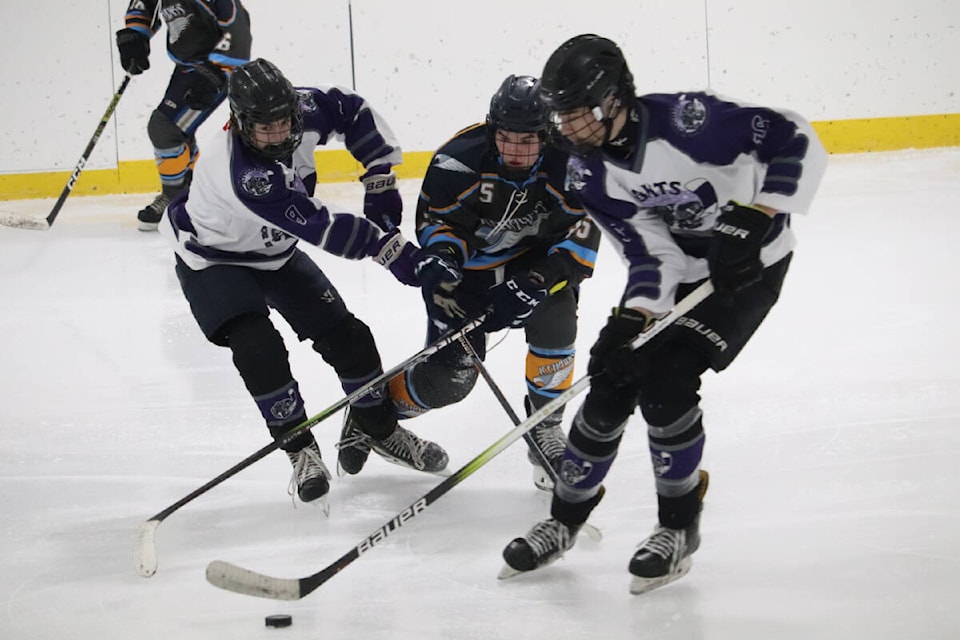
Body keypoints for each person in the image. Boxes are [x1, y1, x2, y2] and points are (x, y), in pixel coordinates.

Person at [500, 34, 828, 594]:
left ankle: (678, 529)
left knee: (669, 383)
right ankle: (565, 518)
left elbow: (795, 138)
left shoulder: (689, 122)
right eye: (563, 118)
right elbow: (650, 250)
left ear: (613, 99)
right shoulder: (589, 173)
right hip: (684, 274)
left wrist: (758, 215)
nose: (569, 130)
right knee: (610, 382)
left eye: (578, 115)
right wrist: (634, 317)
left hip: (749, 267)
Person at [159, 58, 449, 508]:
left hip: (275, 252)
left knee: (350, 339)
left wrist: (380, 176)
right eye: (264, 128)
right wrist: (393, 251)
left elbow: (352, 111)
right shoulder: (242, 172)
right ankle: (300, 449)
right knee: (258, 347)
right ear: (238, 122)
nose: (277, 135)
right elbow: (321, 227)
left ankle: (380, 430)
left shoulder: (303, 107)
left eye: (283, 123)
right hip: (215, 260)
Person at [335, 74, 601, 490]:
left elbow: (582, 234)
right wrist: (443, 261)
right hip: (467, 275)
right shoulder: (457, 161)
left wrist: (538, 280)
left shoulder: (573, 164)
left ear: (547, 135)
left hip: (532, 264)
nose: (516, 151)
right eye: (507, 138)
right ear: (493, 131)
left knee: (557, 313)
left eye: (528, 141)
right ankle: (375, 415)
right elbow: (438, 224)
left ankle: (546, 428)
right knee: (449, 380)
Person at [116, 0, 252, 231]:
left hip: (215, 70)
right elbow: (146, 4)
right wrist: (135, 35)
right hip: (186, 68)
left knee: (165, 128)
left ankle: (175, 196)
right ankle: (197, 194)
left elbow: (238, 26)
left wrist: (219, 71)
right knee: (178, 132)